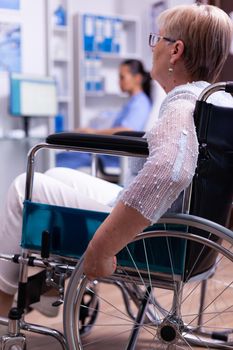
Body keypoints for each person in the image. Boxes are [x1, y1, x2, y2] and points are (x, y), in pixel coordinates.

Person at [0, 3, 232, 317]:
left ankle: (1, 310)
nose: (153, 49)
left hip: (153, 236)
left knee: (21, 187)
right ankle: (50, 286)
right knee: (56, 174)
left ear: (175, 50)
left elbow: (169, 172)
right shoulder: (215, 100)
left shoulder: (182, 105)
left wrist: (102, 246)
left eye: (157, 40)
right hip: (182, 231)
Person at [56, 59, 152, 169]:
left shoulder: (140, 103)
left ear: (137, 78)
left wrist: (93, 133)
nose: (119, 81)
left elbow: (128, 130)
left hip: (112, 159)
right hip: (107, 154)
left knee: (59, 160)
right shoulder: (133, 102)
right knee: (62, 157)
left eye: (122, 77)